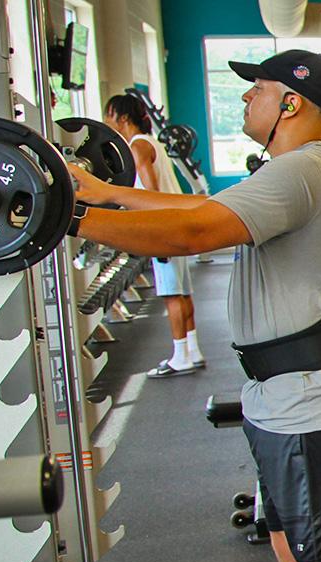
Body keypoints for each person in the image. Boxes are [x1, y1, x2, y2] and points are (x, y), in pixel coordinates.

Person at [64, 50, 321, 562]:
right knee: (290, 547)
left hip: (317, 400)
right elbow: (196, 205)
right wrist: (103, 194)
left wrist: (65, 219)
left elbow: (190, 231)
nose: (245, 102)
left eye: (256, 91)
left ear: (291, 103)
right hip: (283, 397)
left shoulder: (304, 172)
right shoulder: (289, 170)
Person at [102, 94, 203, 377]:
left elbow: (150, 193)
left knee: (172, 294)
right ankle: (192, 351)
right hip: (176, 222)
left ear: (122, 118)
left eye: (108, 115)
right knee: (182, 291)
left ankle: (180, 356)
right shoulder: (152, 141)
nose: (105, 121)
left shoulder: (138, 147)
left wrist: (152, 231)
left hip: (164, 227)